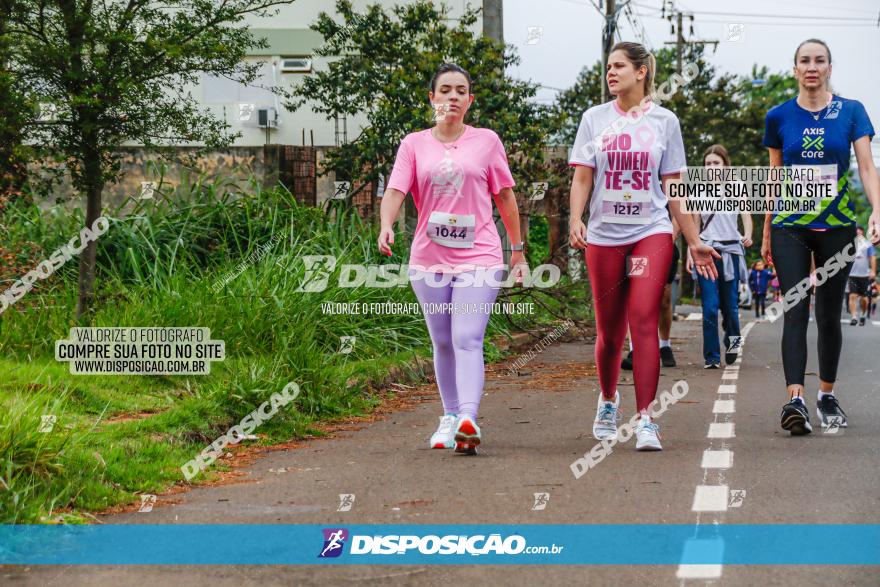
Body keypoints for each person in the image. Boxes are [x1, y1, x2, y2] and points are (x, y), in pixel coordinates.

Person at [568, 41, 719, 451]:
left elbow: (674, 189)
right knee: (610, 333)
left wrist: (693, 239)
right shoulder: (593, 119)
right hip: (603, 236)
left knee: (643, 319)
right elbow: (582, 177)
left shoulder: (665, 122)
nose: (610, 73)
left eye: (619, 66)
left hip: (649, 232)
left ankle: (646, 417)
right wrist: (575, 217)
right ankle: (608, 400)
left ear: (642, 72)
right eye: (608, 67)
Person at [379, 63, 526, 455]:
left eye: (461, 91)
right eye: (445, 90)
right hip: (429, 257)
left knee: (467, 337)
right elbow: (395, 190)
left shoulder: (487, 141)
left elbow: (506, 198)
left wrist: (518, 250)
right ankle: (449, 416)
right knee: (442, 340)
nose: (453, 97)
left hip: (480, 254)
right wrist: (386, 225)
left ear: (470, 100)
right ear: (432, 98)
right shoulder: (413, 144)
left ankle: (468, 419)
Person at [762, 39, 880, 435]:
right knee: (795, 310)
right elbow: (774, 176)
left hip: (838, 228)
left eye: (819, 60)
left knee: (829, 316)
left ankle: (826, 394)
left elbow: (866, 166)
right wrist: (766, 229)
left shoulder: (851, 111)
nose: (812, 67)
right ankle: (794, 399)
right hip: (789, 227)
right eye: (804, 61)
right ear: (794, 68)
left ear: (829, 67)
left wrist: (877, 210)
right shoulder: (778, 116)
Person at [686, 144, 753, 368]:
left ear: (725, 165)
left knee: (731, 309)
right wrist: (690, 252)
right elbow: (694, 226)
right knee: (710, 307)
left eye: (716, 163)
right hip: (707, 252)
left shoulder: (737, 186)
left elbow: (746, 215)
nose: (712, 167)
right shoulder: (698, 190)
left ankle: (732, 343)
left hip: (731, 252)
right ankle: (712, 357)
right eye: (708, 164)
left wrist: (748, 235)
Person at [847, 226, 876, 326]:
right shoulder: (849, 245)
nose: (858, 233)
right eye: (856, 232)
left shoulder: (868, 244)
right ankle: (854, 317)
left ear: (863, 233)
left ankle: (863, 314)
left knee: (864, 299)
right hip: (852, 274)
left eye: (860, 232)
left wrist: (873, 271)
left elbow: (872, 258)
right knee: (852, 295)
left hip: (864, 275)